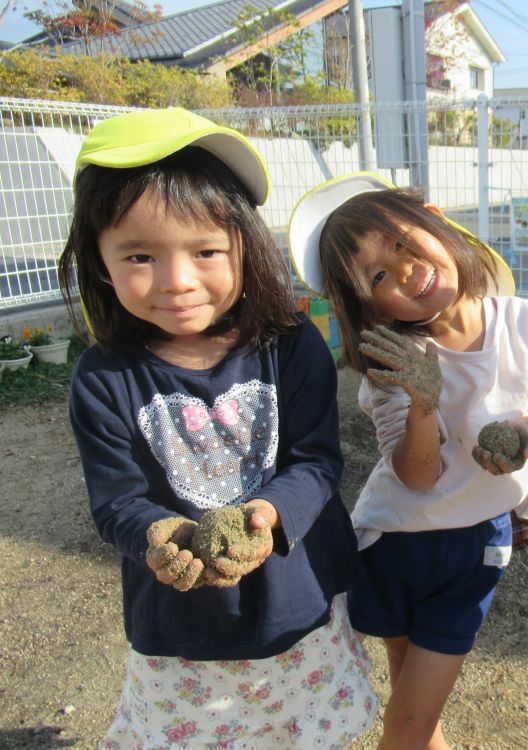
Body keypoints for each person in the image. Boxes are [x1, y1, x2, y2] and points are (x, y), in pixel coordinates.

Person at [58, 108, 378, 749]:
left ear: (245, 248)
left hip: (297, 594)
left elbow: (315, 462)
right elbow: (116, 502)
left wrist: (264, 516)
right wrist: (161, 534)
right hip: (184, 619)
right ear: (99, 261)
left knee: (303, 730)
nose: (177, 282)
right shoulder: (102, 377)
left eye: (205, 251)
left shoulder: (290, 346)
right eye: (140, 255)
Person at [287, 172, 528, 750]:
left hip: (474, 546)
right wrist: (423, 396)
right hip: (396, 541)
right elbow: (417, 476)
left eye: (400, 244)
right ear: (367, 303)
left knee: (411, 717)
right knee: (411, 702)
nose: (402, 270)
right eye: (377, 275)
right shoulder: (396, 363)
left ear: (433, 217)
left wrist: (527, 431)